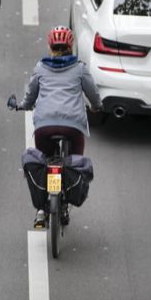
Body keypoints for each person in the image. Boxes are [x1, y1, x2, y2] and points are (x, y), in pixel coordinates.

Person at [19, 26, 102, 227]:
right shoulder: (80, 69)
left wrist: (24, 105)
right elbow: (93, 94)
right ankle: (66, 196)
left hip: (45, 127)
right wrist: (96, 106)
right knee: (74, 162)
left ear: (50, 46)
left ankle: (41, 208)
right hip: (72, 127)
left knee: (44, 161)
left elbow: (30, 97)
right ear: (70, 45)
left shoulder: (40, 68)